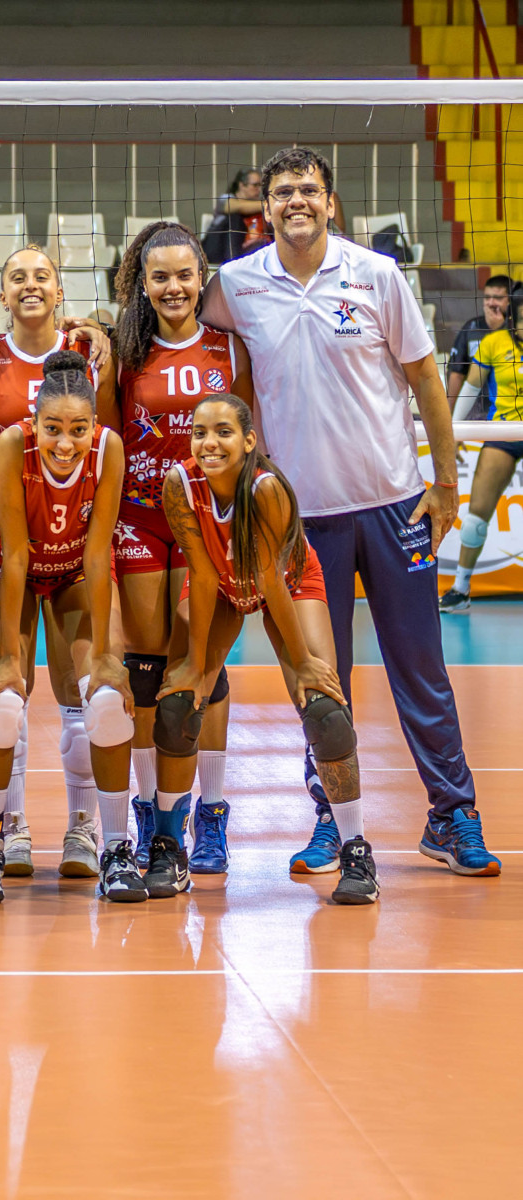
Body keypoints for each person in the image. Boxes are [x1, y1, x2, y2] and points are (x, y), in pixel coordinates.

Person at [200, 145, 499, 877]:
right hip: (300, 520)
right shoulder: (236, 284)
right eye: (282, 192)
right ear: (265, 207)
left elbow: (425, 378)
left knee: (421, 670)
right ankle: (333, 818)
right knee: (318, 679)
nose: (296, 202)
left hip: (394, 506)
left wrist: (445, 483)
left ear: (331, 202)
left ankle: (451, 814)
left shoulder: (377, 274)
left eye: (308, 190)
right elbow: (170, 321)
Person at [160, 395, 376, 903]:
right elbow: (203, 573)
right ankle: (169, 848)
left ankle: (356, 851)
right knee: (179, 705)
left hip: (288, 583)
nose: (209, 443)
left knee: (324, 709)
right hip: (221, 585)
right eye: (199, 432)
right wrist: (195, 665)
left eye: (224, 432)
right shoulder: (180, 484)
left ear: (249, 440)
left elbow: (270, 580)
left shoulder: (265, 488)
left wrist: (302, 665)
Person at [0, 246, 112, 878]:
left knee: (87, 694)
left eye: (41, 276)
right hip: (5, 541)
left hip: (73, 541)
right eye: (16, 277)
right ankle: (10, 826)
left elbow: (107, 435)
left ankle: (85, 828)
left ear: (59, 290)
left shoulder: (91, 353)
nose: (29, 285)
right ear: (0, 294)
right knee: (6, 692)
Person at [104, 220, 254, 875]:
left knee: (202, 668)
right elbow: (109, 440)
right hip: (141, 520)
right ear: (142, 282)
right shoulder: (123, 351)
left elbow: (249, 438)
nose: (173, 287)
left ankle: (211, 813)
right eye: (159, 276)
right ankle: (151, 809)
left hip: (209, 523)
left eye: (184, 275)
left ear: (201, 279)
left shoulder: (229, 349)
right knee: (146, 673)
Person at [0, 351, 134, 904]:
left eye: (78, 429)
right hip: (7, 562)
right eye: (53, 429)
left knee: (105, 699)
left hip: (74, 565)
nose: (65, 443)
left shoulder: (109, 449)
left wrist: (106, 651)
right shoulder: (11, 445)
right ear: (34, 423)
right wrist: (8, 658)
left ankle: (108, 844)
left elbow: (98, 553)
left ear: (95, 424)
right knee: (3, 703)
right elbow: (15, 552)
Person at [441, 292, 523, 614]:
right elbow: (472, 387)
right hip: (504, 432)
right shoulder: (494, 343)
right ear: (514, 316)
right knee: (475, 519)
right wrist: (454, 433)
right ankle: (461, 589)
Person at [445, 274, 514, 419]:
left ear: (510, 300)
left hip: (509, 412)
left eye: (497, 298)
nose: (491, 303)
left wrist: (500, 328)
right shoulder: (471, 328)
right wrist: (448, 414)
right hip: (475, 412)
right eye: (487, 297)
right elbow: (456, 373)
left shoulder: (517, 332)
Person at [203, 168, 270, 263]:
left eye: (260, 186)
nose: (259, 190)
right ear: (242, 185)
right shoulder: (225, 199)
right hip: (216, 248)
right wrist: (269, 204)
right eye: (255, 185)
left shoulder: (256, 207)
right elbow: (238, 207)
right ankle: (232, 262)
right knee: (234, 218)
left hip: (241, 250)